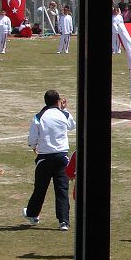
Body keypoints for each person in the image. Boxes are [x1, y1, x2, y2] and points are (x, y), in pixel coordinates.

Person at [24, 90, 75, 230]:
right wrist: (65, 109)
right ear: (58, 100)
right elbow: (72, 125)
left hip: (45, 157)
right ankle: (64, 221)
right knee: (62, 189)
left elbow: (32, 138)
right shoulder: (64, 114)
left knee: (40, 188)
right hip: (62, 157)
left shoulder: (39, 116)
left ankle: (32, 214)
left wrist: (34, 146)